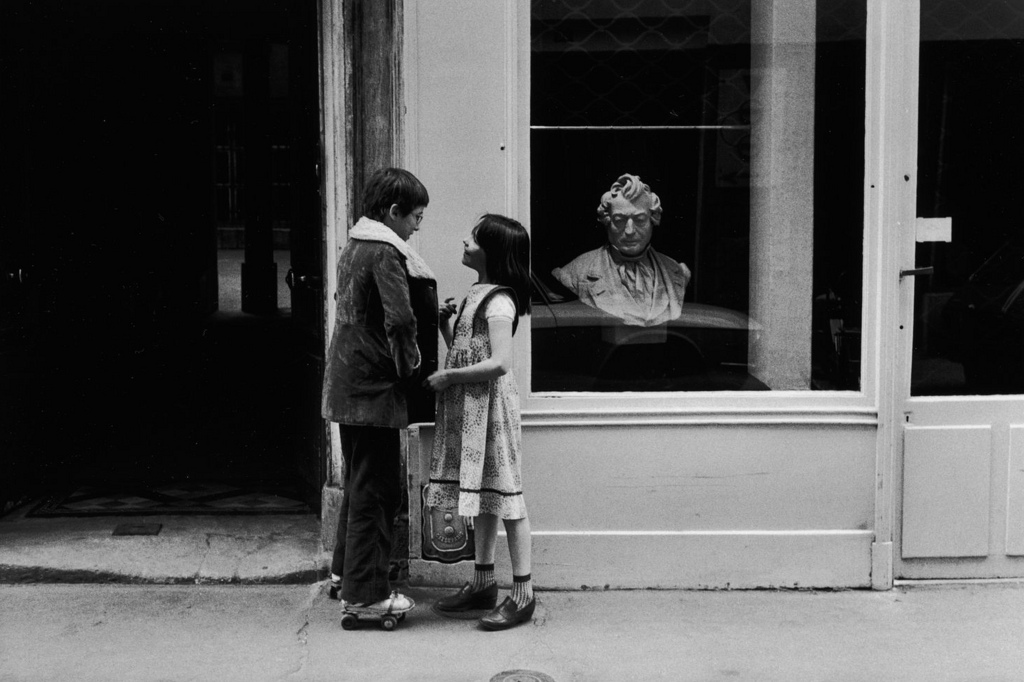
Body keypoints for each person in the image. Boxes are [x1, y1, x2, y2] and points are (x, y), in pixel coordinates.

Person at [321, 167, 437, 617]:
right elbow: (400, 321)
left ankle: (345, 574)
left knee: (358, 482)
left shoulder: (354, 245)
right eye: (415, 217)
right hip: (373, 389)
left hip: (347, 383)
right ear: (393, 211)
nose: (416, 227)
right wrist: (412, 368)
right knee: (378, 490)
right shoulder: (387, 251)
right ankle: (366, 595)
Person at [425, 214, 536, 631]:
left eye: (473, 240)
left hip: (491, 411)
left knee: (507, 496)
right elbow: (467, 351)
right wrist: (444, 325)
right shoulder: (478, 292)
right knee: (487, 495)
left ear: (492, 251)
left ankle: (523, 593)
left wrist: (448, 377)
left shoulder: (500, 302)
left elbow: (499, 363)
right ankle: (484, 582)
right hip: (473, 411)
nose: (465, 244)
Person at [552, 173, 691, 327]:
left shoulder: (677, 272)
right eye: (619, 220)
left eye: (639, 220)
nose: (630, 230)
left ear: (653, 219)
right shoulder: (575, 273)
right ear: (607, 221)